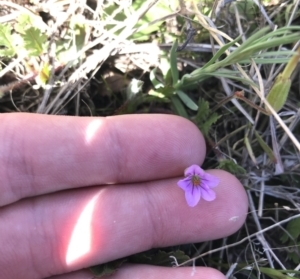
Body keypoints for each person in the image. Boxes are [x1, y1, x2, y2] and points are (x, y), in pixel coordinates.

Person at [0, 113, 248, 279]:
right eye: (194, 178)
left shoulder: (196, 180)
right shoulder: (191, 180)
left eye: (197, 179)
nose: (195, 180)